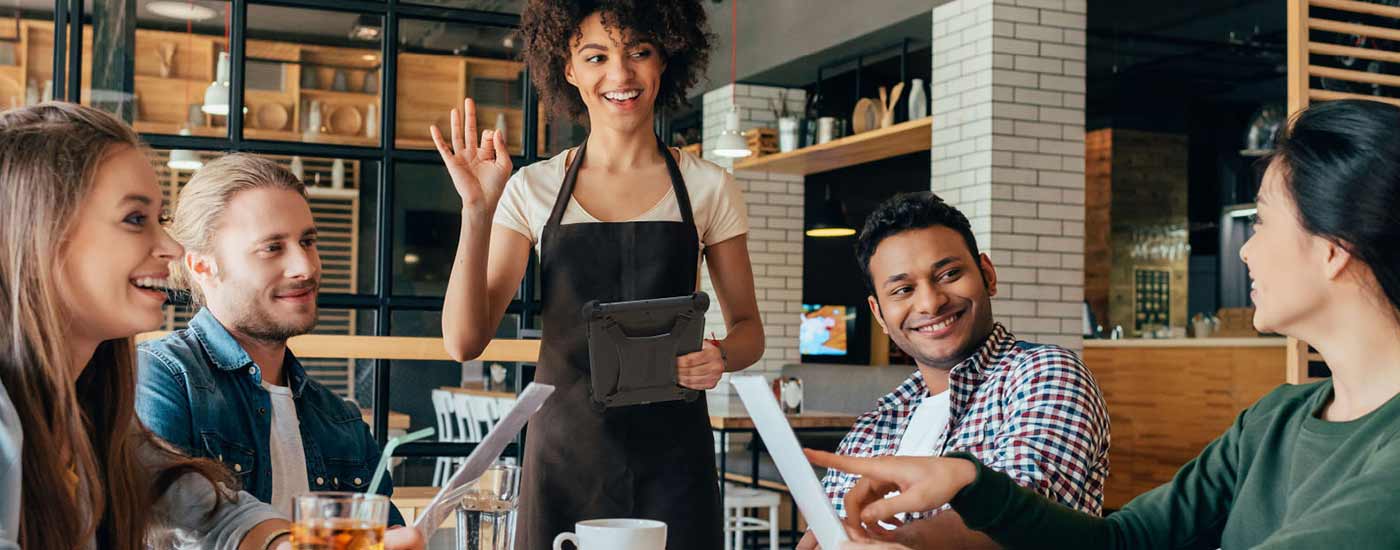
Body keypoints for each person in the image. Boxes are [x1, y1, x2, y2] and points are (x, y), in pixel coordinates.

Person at [808, 99, 1400, 550]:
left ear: (1333, 248)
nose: (1245, 251)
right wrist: (969, 482)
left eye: (1263, 223)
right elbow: (1121, 543)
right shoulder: (1272, 422)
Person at [0, 103, 421, 550]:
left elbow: (207, 505)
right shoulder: (153, 375)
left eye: (158, 220)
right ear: (41, 234)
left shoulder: (96, 404)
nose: (170, 246)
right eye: (135, 220)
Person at [435, 1, 764, 547]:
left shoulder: (708, 187)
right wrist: (476, 209)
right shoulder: (532, 188)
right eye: (596, 56)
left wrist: (723, 355)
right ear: (568, 69)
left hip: (675, 456)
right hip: (566, 454)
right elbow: (464, 341)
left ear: (665, 60)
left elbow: (750, 329)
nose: (620, 75)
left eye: (640, 52)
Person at [798, 192, 1111, 549]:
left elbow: (1023, 513)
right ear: (879, 314)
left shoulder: (1046, 374)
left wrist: (901, 543)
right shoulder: (877, 422)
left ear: (987, 275)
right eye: (903, 290)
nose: (931, 303)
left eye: (949, 274)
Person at [136, 154, 406, 526]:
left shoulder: (341, 421)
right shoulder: (161, 376)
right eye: (272, 247)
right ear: (202, 265)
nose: (306, 267)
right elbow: (164, 530)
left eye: (307, 241)